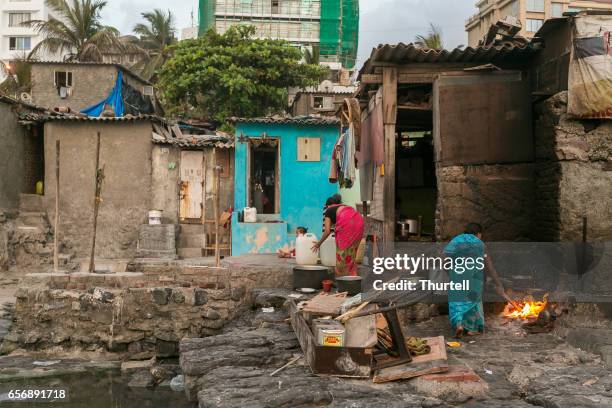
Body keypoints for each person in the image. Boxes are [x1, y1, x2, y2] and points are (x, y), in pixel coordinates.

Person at [444, 223, 508, 337]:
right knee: (473, 304)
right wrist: (499, 284)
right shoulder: (480, 244)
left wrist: (451, 273)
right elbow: (489, 266)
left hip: (457, 276)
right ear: (478, 234)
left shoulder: (456, 241)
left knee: (457, 301)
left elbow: (444, 260)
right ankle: (471, 329)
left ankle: (459, 325)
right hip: (474, 279)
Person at [312, 196, 364, 277]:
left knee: (342, 256)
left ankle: (343, 281)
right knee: (351, 255)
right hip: (360, 221)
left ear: (327, 206)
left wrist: (319, 243)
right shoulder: (345, 207)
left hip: (347, 224)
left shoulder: (328, 210)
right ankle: (353, 279)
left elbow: (327, 231)